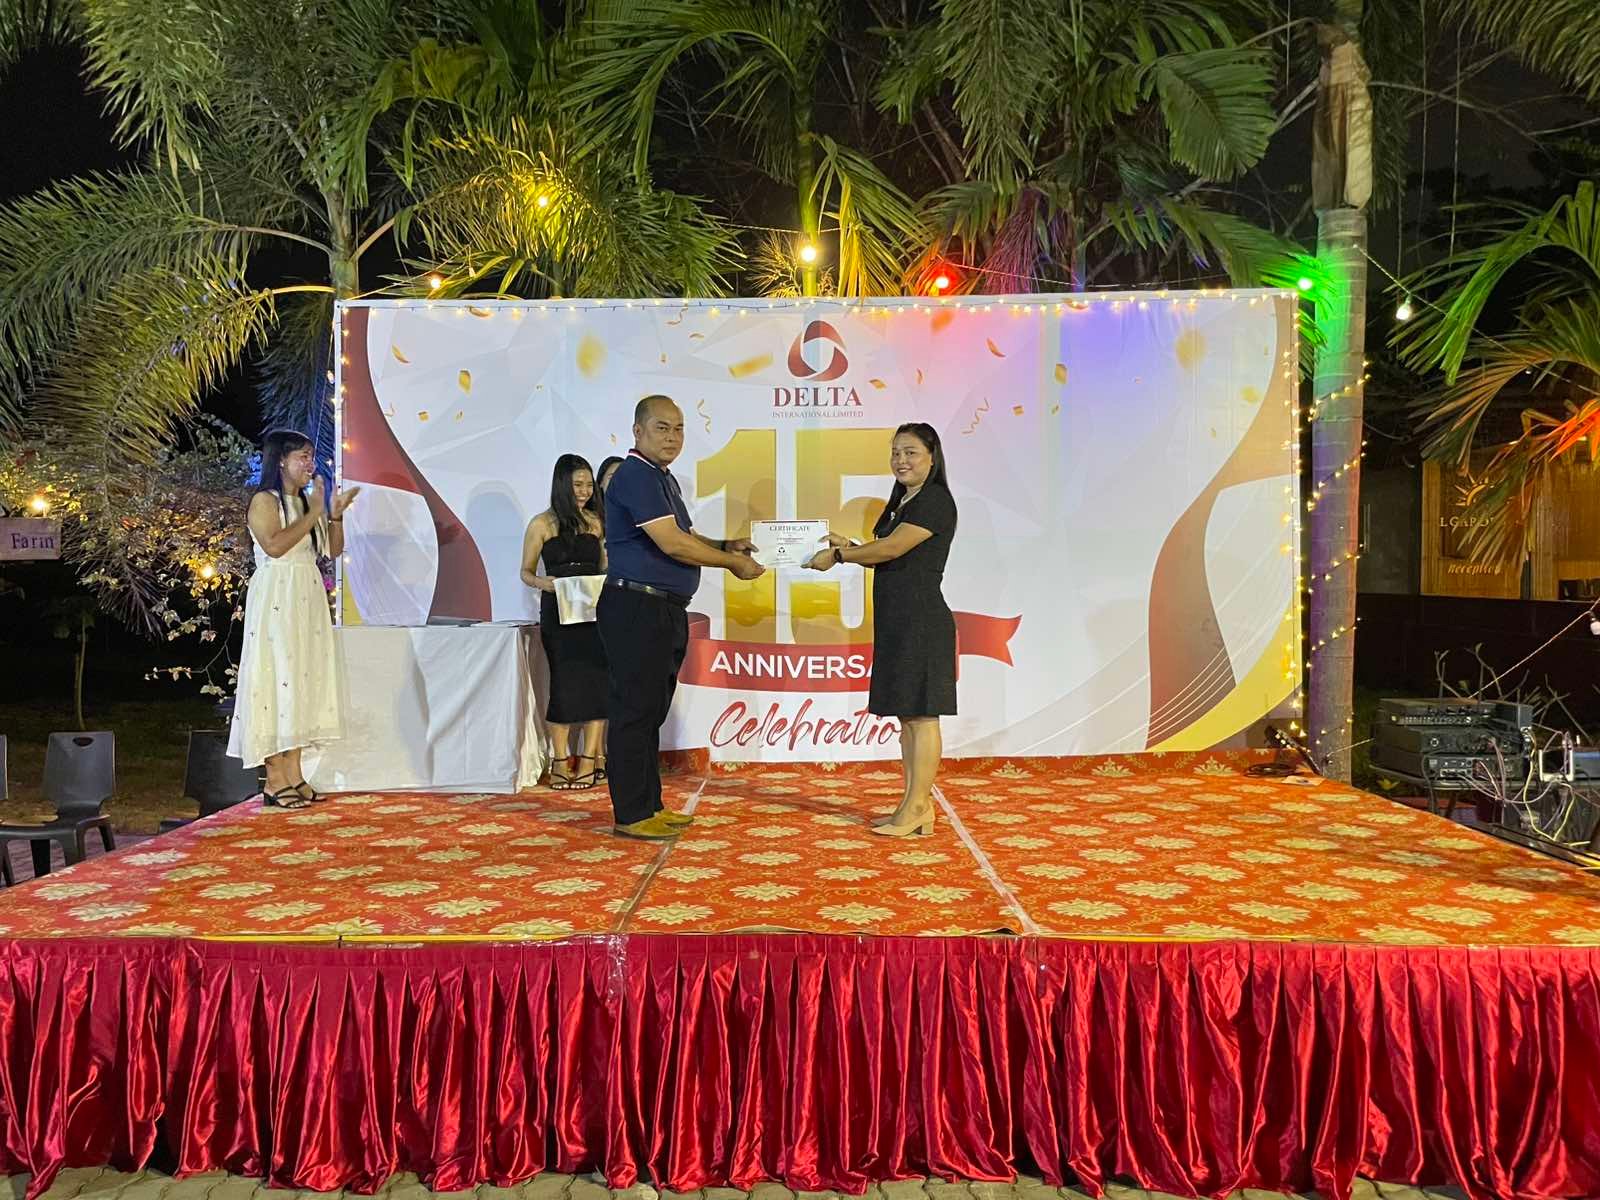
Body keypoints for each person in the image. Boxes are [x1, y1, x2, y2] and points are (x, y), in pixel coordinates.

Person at [599, 395, 765, 839]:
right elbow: (671, 543)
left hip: (661, 608)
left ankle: (649, 804)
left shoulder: (661, 477)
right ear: (637, 431)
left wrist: (726, 545)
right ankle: (632, 814)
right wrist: (731, 564)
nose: (672, 437)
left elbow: (685, 535)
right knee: (635, 711)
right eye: (661, 428)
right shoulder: (635, 474)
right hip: (636, 606)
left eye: (678, 429)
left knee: (650, 711)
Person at [806, 422, 957, 837]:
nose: (901, 460)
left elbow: (891, 548)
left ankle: (918, 805)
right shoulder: (904, 501)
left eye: (911, 452)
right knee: (908, 717)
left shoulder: (934, 500)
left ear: (932, 457)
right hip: (899, 621)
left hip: (921, 621)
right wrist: (850, 546)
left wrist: (840, 556)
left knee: (922, 716)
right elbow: (890, 556)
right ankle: (912, 804)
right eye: (895, 453)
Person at [228, 430, 359, 809]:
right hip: (277, 596)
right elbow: (275, 545)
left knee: (302, 680)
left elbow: (331, 549)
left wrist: (334, 516)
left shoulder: (304, 503)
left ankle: (296, 774)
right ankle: (274, 780)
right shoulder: (264, 501)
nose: (310, 464)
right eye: (303, 456)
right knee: (276, 680)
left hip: (306, 595)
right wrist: (315, 512)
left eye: (311, 456)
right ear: (281, 460)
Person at [521, 454, 609, 789]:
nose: (585, 491)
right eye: (577, 485)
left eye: (588, 485)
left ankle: (588, 759)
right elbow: (526, 571)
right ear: (561, 485)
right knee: (563, 684)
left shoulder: (596, 522)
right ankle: (560, 760)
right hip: (558, 612)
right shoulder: (541, 524)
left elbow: (603, 567)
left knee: (598, 683)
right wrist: (545, 584)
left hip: (594, 612)